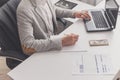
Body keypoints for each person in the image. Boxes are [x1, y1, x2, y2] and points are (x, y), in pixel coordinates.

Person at [17, 0, 90, 55]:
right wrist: (61, 41)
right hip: (42, 51)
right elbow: (27, 46)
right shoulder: (24, 10)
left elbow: (53, 9)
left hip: (53, 40)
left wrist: (74, 13)